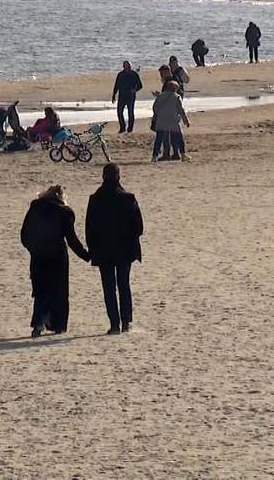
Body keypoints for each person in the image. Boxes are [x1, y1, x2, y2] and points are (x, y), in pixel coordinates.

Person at [19, 185, 88, 337]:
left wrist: (33, 248)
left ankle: (38, 323)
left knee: (41, 290)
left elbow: (24, 233)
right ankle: (58, 325)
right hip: (57, 256)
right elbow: (71, 240)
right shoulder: (65, 212)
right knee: (59, 292)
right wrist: (86, 255)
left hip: (38, 255)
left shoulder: (35, 207)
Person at [84, 163, 144, 335]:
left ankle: (114, 324)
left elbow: (89, 229)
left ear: (103, 177)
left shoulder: (95, 199)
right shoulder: (128, 198)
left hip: (103, 251)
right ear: (118, 177)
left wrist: (92, 249)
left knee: (108, 288)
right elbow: (139, 228)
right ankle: (126, 321)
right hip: (124, 250)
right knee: (124, 284)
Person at [151, 80, 190, 162]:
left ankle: (154, 156)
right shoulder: (177, 97)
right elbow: (181, 110)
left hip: (161, 120)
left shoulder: (160, 96)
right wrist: (186, 121)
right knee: (179, 137)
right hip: (173, 121)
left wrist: (158, 115)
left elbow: (155, 108)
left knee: (159, 139)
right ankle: (183, 154)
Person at [111, 61, 143, 133]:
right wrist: (114, 95)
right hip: (122, 96)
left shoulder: (134, 74)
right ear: (123, 66)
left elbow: (140, 85)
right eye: (125, 65)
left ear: (130, 66)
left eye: (128, 65)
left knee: (130, 112)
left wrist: (135, 90)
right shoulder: (120, 74)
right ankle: (122, 127)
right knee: (119, 112)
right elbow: (116, 85)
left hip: (130, 96)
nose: (127, 67)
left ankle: (130, 129)